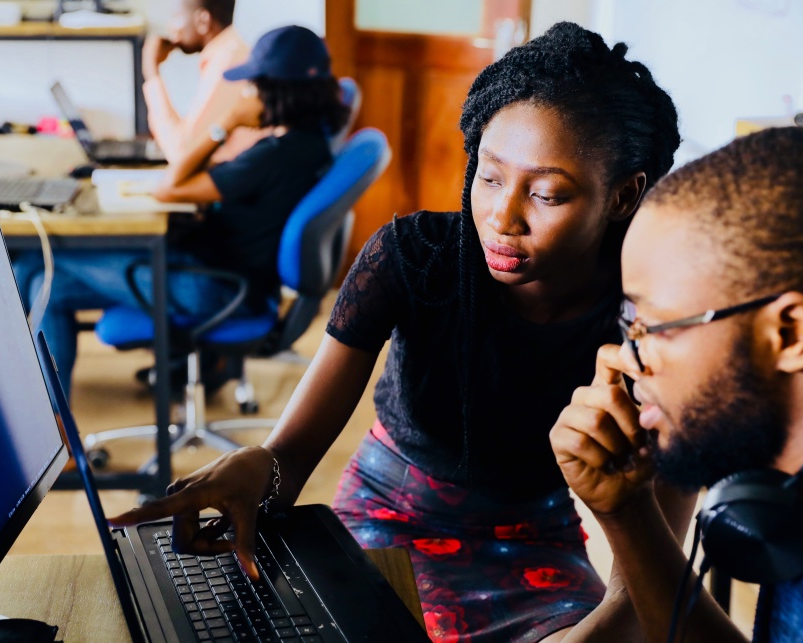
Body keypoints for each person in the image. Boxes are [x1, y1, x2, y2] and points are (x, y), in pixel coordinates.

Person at [111, 22, 684, 643]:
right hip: (388, 511)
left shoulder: (654, 322)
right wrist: (260, 468)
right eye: (489, 177)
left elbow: (646, 584)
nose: (502, 217)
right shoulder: (414, 259)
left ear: (624, 196)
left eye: (546, 194)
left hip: (535, 539)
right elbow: (290, 459)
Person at [550, 127, 803, 643]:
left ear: (790, 333)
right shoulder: (802, 499)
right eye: (627, 322)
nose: (624, 359)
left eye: (653, 327)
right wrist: (627, 513)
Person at [16, 25, 349, 393]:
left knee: (36, 266)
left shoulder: (273, 157)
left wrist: (226, 123)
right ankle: (55, 420)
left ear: (276, 91)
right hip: (230, 278)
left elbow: (170, 186)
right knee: (47, 283)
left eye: (252, 84)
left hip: (212, 287)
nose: (245, 92)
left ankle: (44, 417)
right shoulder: (311, 144)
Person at [143, 0, 264, 165]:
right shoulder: (228, 54)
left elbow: (182, 154)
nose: (170, 27)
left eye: (176, 16)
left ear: (203, 21)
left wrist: (151, 73)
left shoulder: (227, 64)